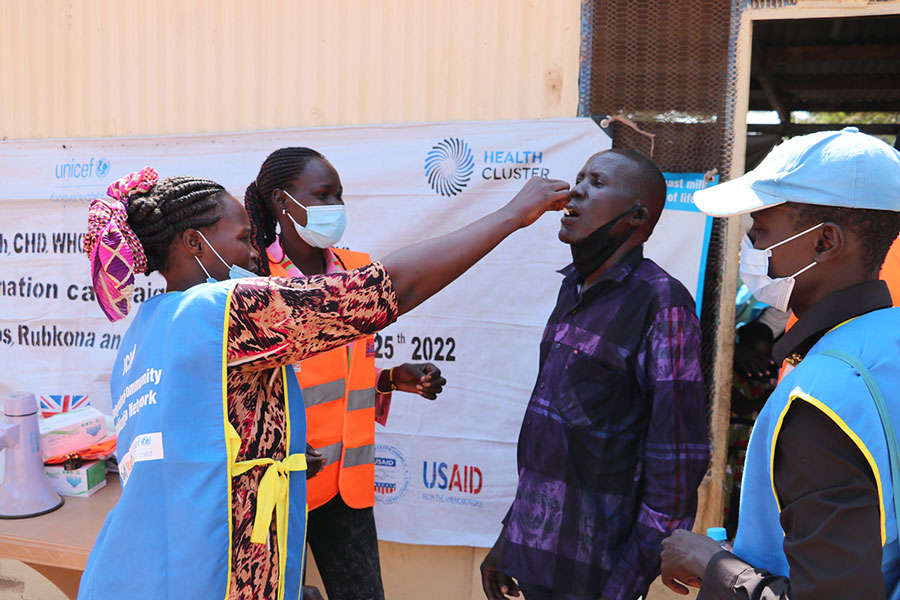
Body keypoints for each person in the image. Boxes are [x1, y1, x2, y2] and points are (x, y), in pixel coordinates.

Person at [79, 167, 570, 600]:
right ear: (193, 242)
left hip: (140, 566)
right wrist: (511, 216)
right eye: (244, 238)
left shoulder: (147, 329)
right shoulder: (222, 310)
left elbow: (201, 443)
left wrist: (280, 453)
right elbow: (391, 289)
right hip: (207, 575)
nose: (254, 253)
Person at [660, 127, 900, 600]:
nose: (750, 247)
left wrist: (713, 566)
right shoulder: (885, 343)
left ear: (824, 242)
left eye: (760, 231)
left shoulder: (824, 396)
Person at [480, 149, 709, 600]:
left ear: (636, 216)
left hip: (598, 573)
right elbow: (553, 444)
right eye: (580, 176)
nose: (576, 189)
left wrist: (625, 584)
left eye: (597, 183)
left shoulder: (662, 302)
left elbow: (677, 465)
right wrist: (512, 539)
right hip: (538, 558)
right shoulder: (573, 289)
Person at [244, 147, 446, 600]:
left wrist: (391, 379)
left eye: (339, 195)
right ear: (282, 202)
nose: (336, 207)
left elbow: (340, 375)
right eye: (322, 195)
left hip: (348, 484)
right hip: (283, 484)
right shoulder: (256, 280)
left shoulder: (359, 271)